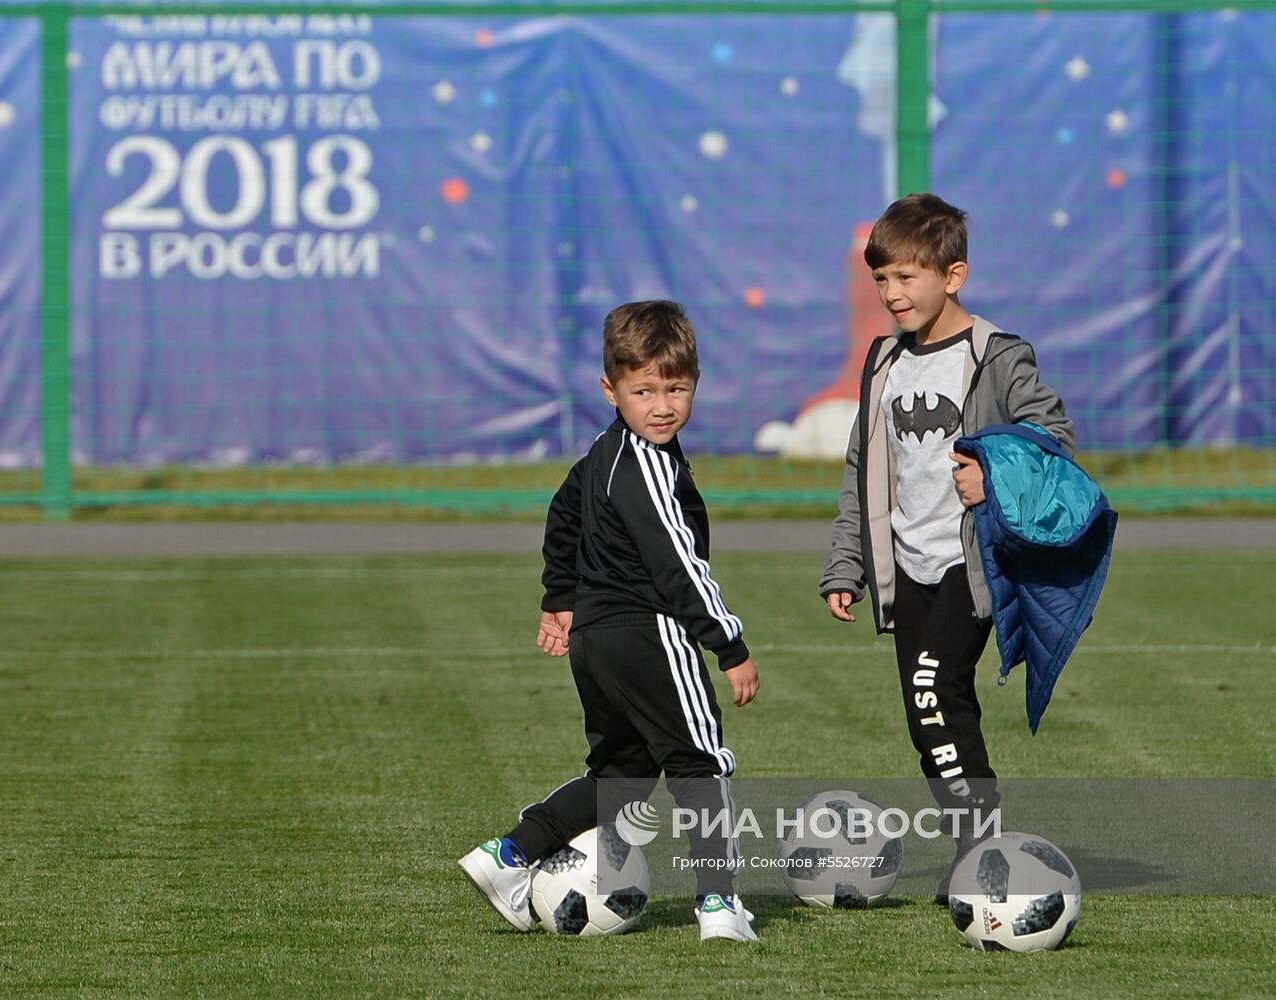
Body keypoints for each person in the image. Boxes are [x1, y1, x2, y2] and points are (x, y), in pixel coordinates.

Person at [460, 300, 761, 942]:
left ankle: (508, 856)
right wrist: (727, 643)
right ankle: (719, 906)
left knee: (620, 776)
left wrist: (560, 597)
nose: (662, 405)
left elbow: (562, 512)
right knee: (700, 766)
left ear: (695, 384)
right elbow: (678, 565)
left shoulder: (605, 451)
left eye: (675, 389)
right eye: (643, 390)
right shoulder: (648, 466)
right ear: (611, 389)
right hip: (650, 633)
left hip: (595, 642)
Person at [819, 193, 1074, 903]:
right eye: (881, 280)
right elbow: (859, 473)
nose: (891, 295)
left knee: (934, 689)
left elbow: (1053, 437)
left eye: (907, 279)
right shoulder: (882, 363)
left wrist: (992, 470)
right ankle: (977, 845)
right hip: (908, 566)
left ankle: (983, 856)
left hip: (974, 563)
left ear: (952, 276)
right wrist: (847, 562)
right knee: (927, 710)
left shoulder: (996, 355)